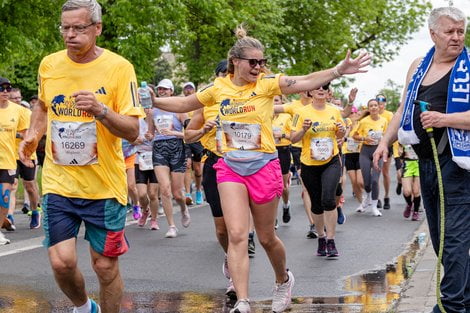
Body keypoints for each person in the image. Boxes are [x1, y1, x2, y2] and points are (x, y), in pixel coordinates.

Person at [149, 25, 370, 313]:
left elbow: (304, 81)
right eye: (253, 62)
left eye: (262, 62)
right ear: (235, 62)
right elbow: (184, 102)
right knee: (238, 234)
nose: (259, 67)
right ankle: (243, 300)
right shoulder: (218, 89)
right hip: (231, 167)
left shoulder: (267, 84)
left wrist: (338, 70)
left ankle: (282, 279)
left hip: (263, 166)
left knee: (266, 237)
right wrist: (155, 102)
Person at [19, 1, 143, 312]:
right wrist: (33, 135)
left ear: (97, 29)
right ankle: (84, 306)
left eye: (79, 28)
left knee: (105, 267)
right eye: (65, 28)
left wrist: (101, 110)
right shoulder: (49, 64)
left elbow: (132, 130)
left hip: (104, 186)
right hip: (60, 182)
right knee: (61, 263)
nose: (70, 34)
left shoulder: (119, 68)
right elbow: (43, 107)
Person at [373, 7, 469, 313]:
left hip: (458, 163)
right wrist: (384, 141)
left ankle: (451, 306)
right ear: (432, 33)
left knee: (453, 238)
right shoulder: (418, 65)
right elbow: (403, 108)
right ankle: (464, 297)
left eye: (460, 30)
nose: (457, 37)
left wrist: (444, 119)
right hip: (426, 162)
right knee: (441, 239)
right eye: (450, 31)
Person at [290, 83, 346, 258]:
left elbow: (340, 136)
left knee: (328, 199)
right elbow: (293, 138)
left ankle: (331, 239)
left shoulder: (335, 111)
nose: (321, 90)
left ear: (328, 92)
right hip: (309, 163)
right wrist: (303, 129)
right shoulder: (300, 112)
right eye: (317, 88)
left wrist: (341, 132)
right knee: (316, 203)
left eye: (325, 88)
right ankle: (321, 237)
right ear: (310, 91)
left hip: (331, 161)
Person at [147, 78, 191, 238]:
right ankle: (172, 226)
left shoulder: (179, 110)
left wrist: (174, 133)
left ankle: (183, 208)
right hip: (159, 149)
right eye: (160, 89)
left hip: (177, 148)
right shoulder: (152, 112)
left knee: (177, 193)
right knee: (164, 189)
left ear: (171, 91)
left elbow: (190, 133)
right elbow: (150, 133)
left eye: (165, 89)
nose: (162, 92)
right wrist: (148, 134)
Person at [0, 77, 28, 245]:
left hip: (8, 161)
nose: (5, 91)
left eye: (7, 88)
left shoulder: (18, 111)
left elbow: (26, 135)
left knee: (3, 197)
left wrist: (25, 152)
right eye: (1, 88)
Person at [353, 99, 388, 217]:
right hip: (365, 152)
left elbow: (388, 136)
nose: (373, 107)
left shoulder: (384, 121)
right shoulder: (363, 121)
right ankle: (367, 196)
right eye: (371, 106)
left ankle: (374, 207)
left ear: (379, 107)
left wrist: (384, 144)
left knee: (374, 180)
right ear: (368, 109)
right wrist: (364, 139)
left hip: (378, 152)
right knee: (366, 182)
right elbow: (354, 136)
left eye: (375, 105)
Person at [182, 81, 204, 205]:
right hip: (185, 139)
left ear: (194, 90)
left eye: (190, 88)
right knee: (187, 165)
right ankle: (187, 193)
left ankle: (199, 190)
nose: (188, 90)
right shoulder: (182, 106)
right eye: (186, 88)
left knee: (197, 170)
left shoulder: (199, 105)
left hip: (198, 139)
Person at [375, 94, 394, 210]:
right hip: (374, 146)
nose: (380, 103)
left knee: (385, 172)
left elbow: (392, 131)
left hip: (387, 145)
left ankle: (386, 196)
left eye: (383, 101)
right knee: (376, 172)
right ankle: (376, 198)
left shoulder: (389, 115)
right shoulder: (372, 113)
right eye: (378, 100)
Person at [400, 144, 421, 221]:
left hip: (418, 164)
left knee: (416, 191)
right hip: (407, 165)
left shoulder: (420, 136)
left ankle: (416, 211)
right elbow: (399, 153)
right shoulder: (404, 137)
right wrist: (402, 153)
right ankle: (409, 204)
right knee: (407, 191)